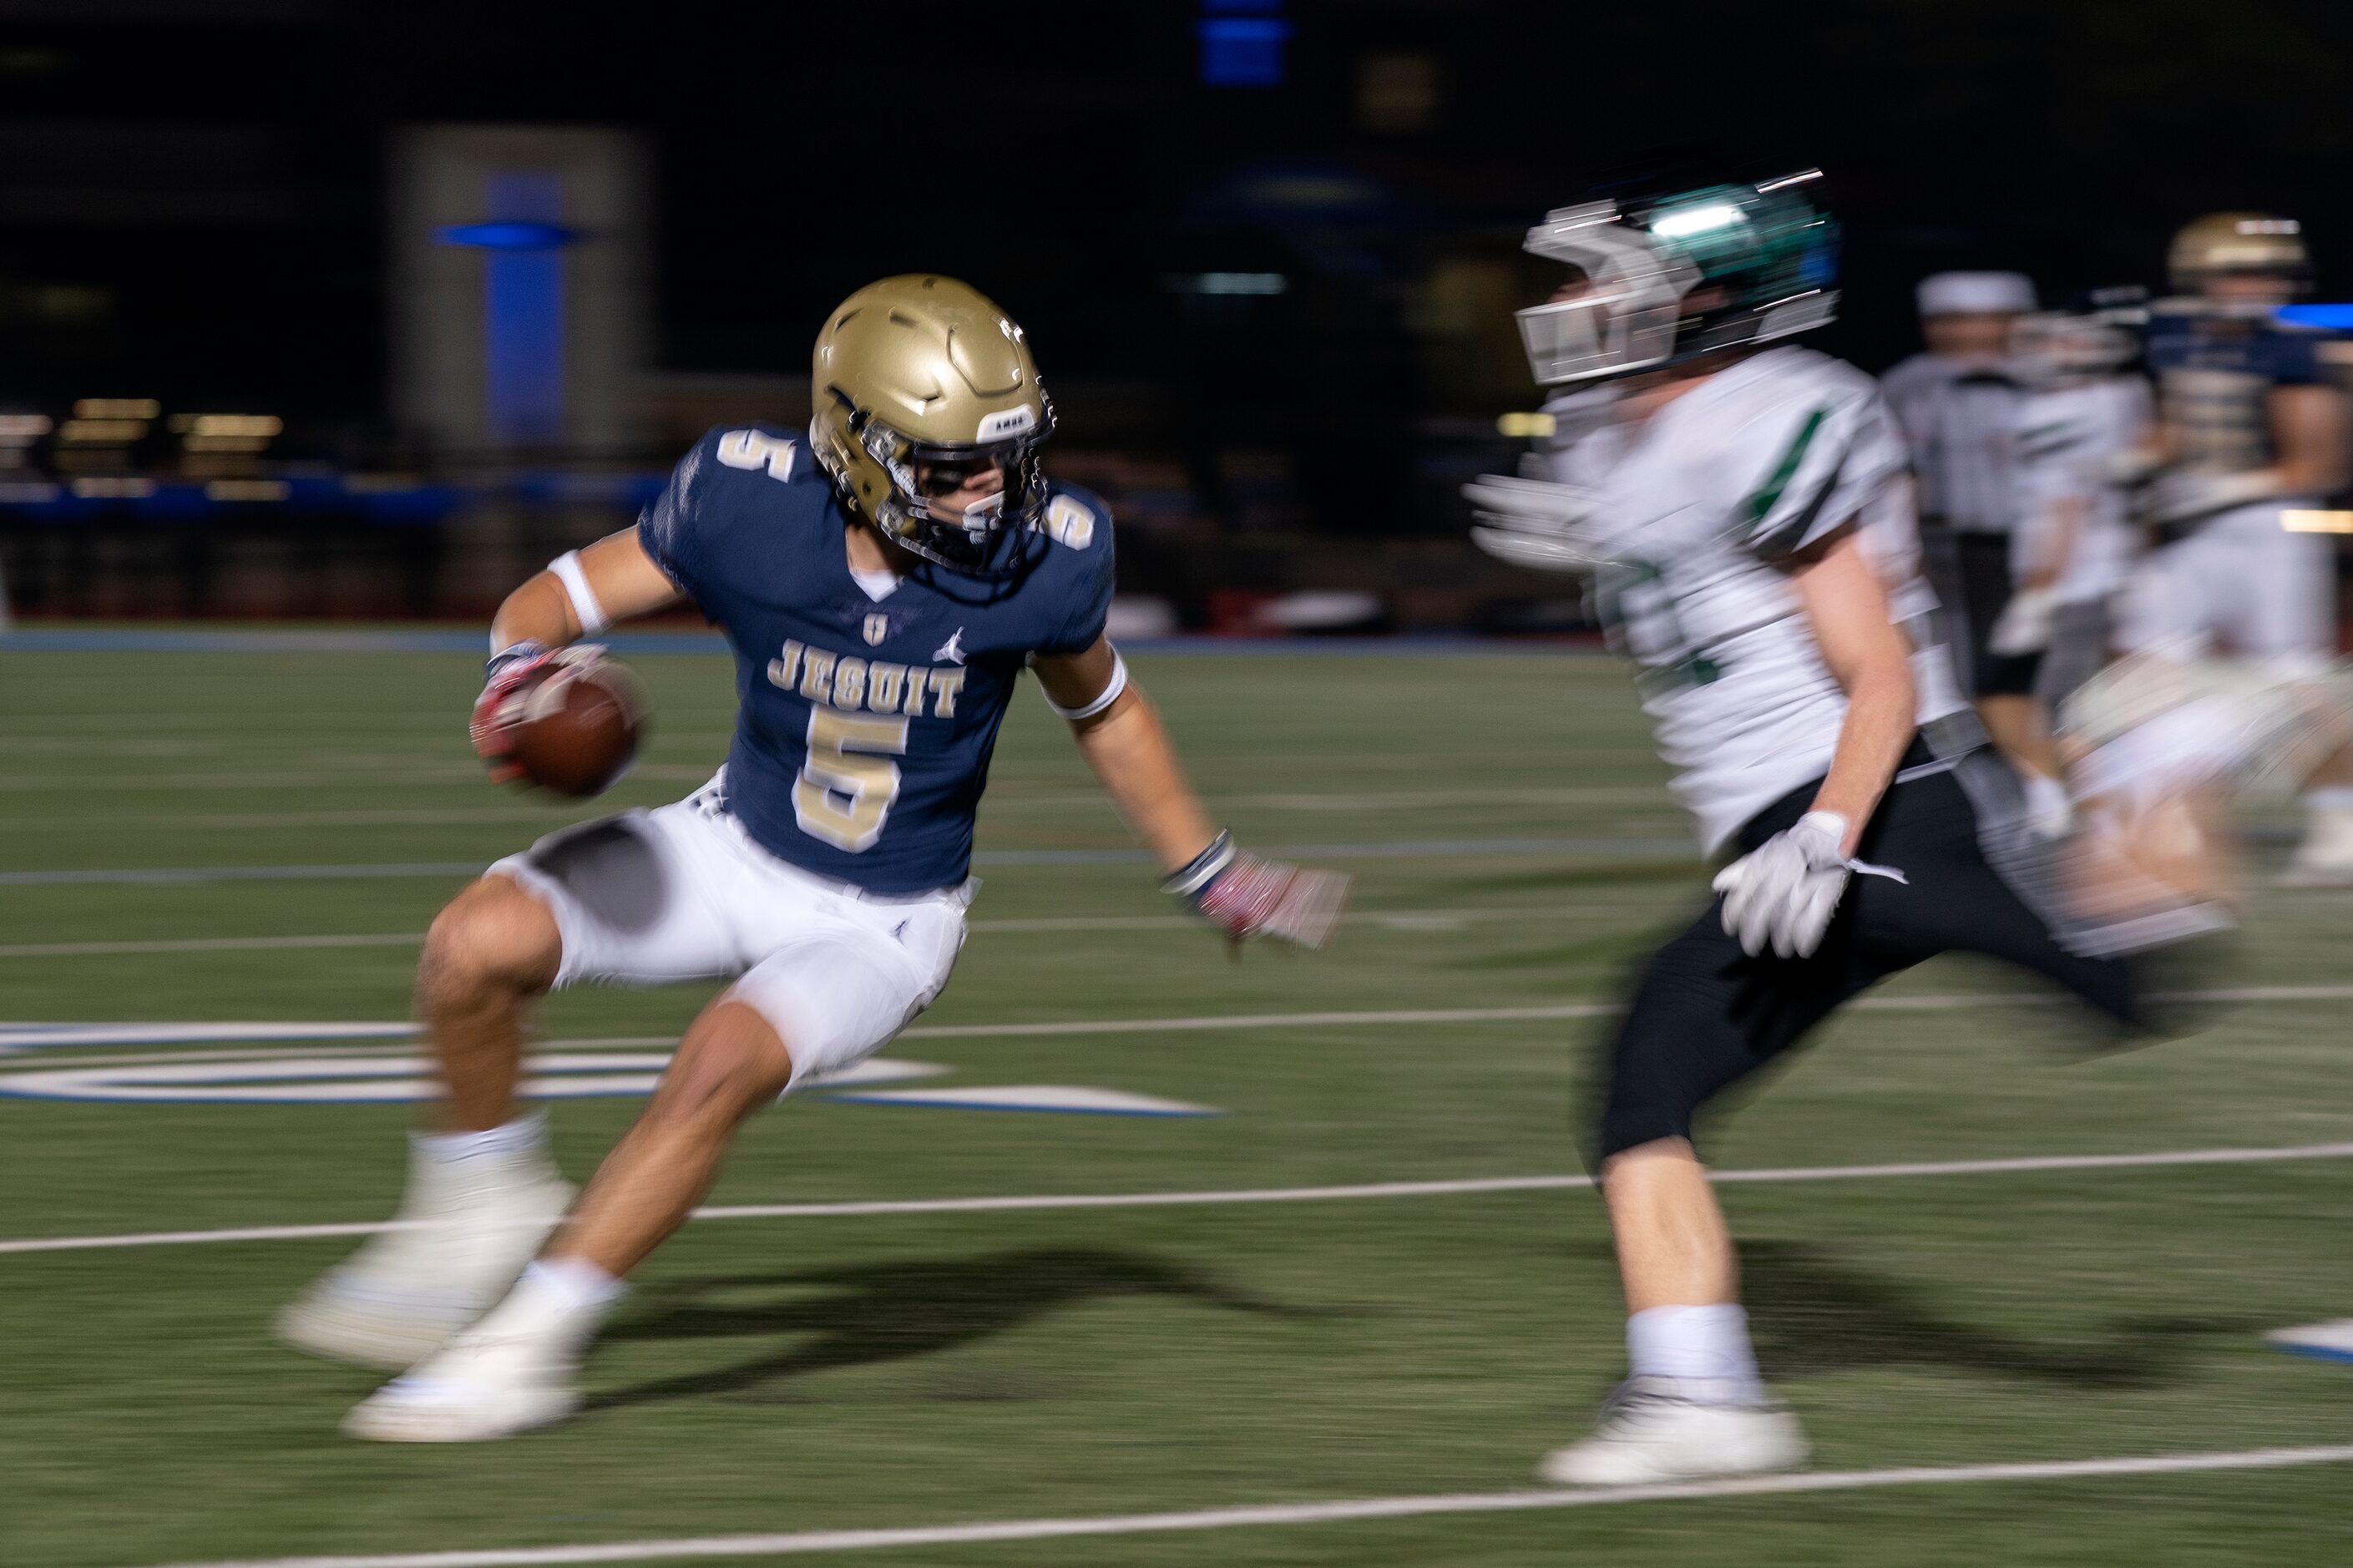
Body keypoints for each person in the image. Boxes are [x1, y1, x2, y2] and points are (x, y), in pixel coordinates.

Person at [279, 275, 1349, 1442]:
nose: (990, 490)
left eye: (1006, 455)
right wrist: (519, 676)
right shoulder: (747, 502)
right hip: (733, 840)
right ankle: (481, 1189)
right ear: (854, 447)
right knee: (469, 945)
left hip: (882, 917)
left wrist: (1208, 869)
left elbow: (1106, 708)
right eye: (948, 465)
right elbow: (556, 595)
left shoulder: (1049, 556)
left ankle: (526, 1346)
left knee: (717, 1062)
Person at [1468, 172, 2178, 1486]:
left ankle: (2174, 774)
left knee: (2140, 987)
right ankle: (1701, 1394)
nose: (1569, 307)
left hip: (1881, 805)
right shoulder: (1614, 435)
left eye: (1601, 284)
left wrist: (1829, 830)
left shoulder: (1769, 413)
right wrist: (1594, 540)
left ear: (1699, 307)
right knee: (1646, 1080)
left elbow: (1879, 670)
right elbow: (1694, 588)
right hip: (1783, 833)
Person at [2119, 214, 2353, 883]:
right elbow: (2174, 428)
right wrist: (2131, 461)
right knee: (2149, 659)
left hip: (2275, 526)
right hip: (2203, 527)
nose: (2260, 285)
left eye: (2272, 272)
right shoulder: (2176, 336)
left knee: (2295, 678)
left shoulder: (2291, 346)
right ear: (2201, 276)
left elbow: (2319, 464)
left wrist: (2219, 487)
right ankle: (2168, 808)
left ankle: (2341, 819)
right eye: (2241, 271)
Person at [1882, 271, 2075, 833]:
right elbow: (1897, 479)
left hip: (2034, 548)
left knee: (2022, 677)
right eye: (1957, 319)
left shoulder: (2055, 382)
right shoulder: (1906, 385)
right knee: (1948, 677)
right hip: (1942, 547)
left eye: (1992, 318)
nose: (1975, 332)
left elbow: (2079, 487)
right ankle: (2001, 790)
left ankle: (2046, 790)